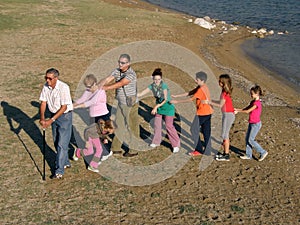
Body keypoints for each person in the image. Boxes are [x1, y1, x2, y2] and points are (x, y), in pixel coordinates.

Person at [97, 54, 138, 157]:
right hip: (121, 103)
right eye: (119, 62)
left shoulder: (131, 74)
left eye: (123, 63)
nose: (120, 64)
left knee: (132, 127)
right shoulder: (117, 71)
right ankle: (116, 148)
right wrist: (98, 85)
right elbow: (108, 79)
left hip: (130, 104)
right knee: (119, 125)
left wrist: (104, 88)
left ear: (128, 63)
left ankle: (133, 150)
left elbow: (120, 84)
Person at [39, 68, 73, 179]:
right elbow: (43, 102)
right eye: (46, 78)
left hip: (64, 117)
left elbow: (64, 107)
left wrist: (51, 120)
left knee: (61, 144)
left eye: (50, 78)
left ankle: (59, 171)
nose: (47, 80)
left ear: (56, 78)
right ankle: (65, 162)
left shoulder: (64, 88)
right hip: (53, 115)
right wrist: (43, 118)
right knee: (56, 140)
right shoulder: (46, 87)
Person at [137, 68, 180, 153]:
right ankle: (156, 141)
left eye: (159, 79)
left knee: (169, 126)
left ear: (161, 79)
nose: (157, 81)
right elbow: (141, 93)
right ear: (152, 78)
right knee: (157, 124)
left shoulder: (164, 86)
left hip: (168, 108)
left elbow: (165, 99)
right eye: (155, 79)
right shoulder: (152, 86)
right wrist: (132, 94)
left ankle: (176, 145)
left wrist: (156, 107)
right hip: (159, 108)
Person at [171, 71, 213, 156]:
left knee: (193, 129)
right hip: (209, 112)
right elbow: (190, 93)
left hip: (202, 113)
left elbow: (191, 99)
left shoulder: (201, 89)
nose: (195, 80)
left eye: (197, 79)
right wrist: (177, 96)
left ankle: (199, 149)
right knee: (206, 131)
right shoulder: (203, 87)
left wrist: (177, 101)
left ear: (202, 80)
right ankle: (208, 151)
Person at [205, 74, 235, 161]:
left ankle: (226, 154)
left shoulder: (224, 93)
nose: (219, 83)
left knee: (224, 135)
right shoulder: (225, 92)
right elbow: (221, 102)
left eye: (220, 81)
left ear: (223, 83)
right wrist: (210, 101)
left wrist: (208, 102)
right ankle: (225, 152)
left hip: (228, 115)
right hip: (227, 114)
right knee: (225, 134)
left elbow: (220, 104)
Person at [235, 85, 268, 161]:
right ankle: (248, 155)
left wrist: (238, 111)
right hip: (252, 123)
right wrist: (237, 109)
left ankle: (263, 152)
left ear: (257, 94)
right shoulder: (253, 102)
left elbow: (247, 111)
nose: (250, 95)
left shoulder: (257, 103)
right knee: (247, 139)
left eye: (252, 93)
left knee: (251, 140)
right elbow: (246, 108)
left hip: (256, 124)